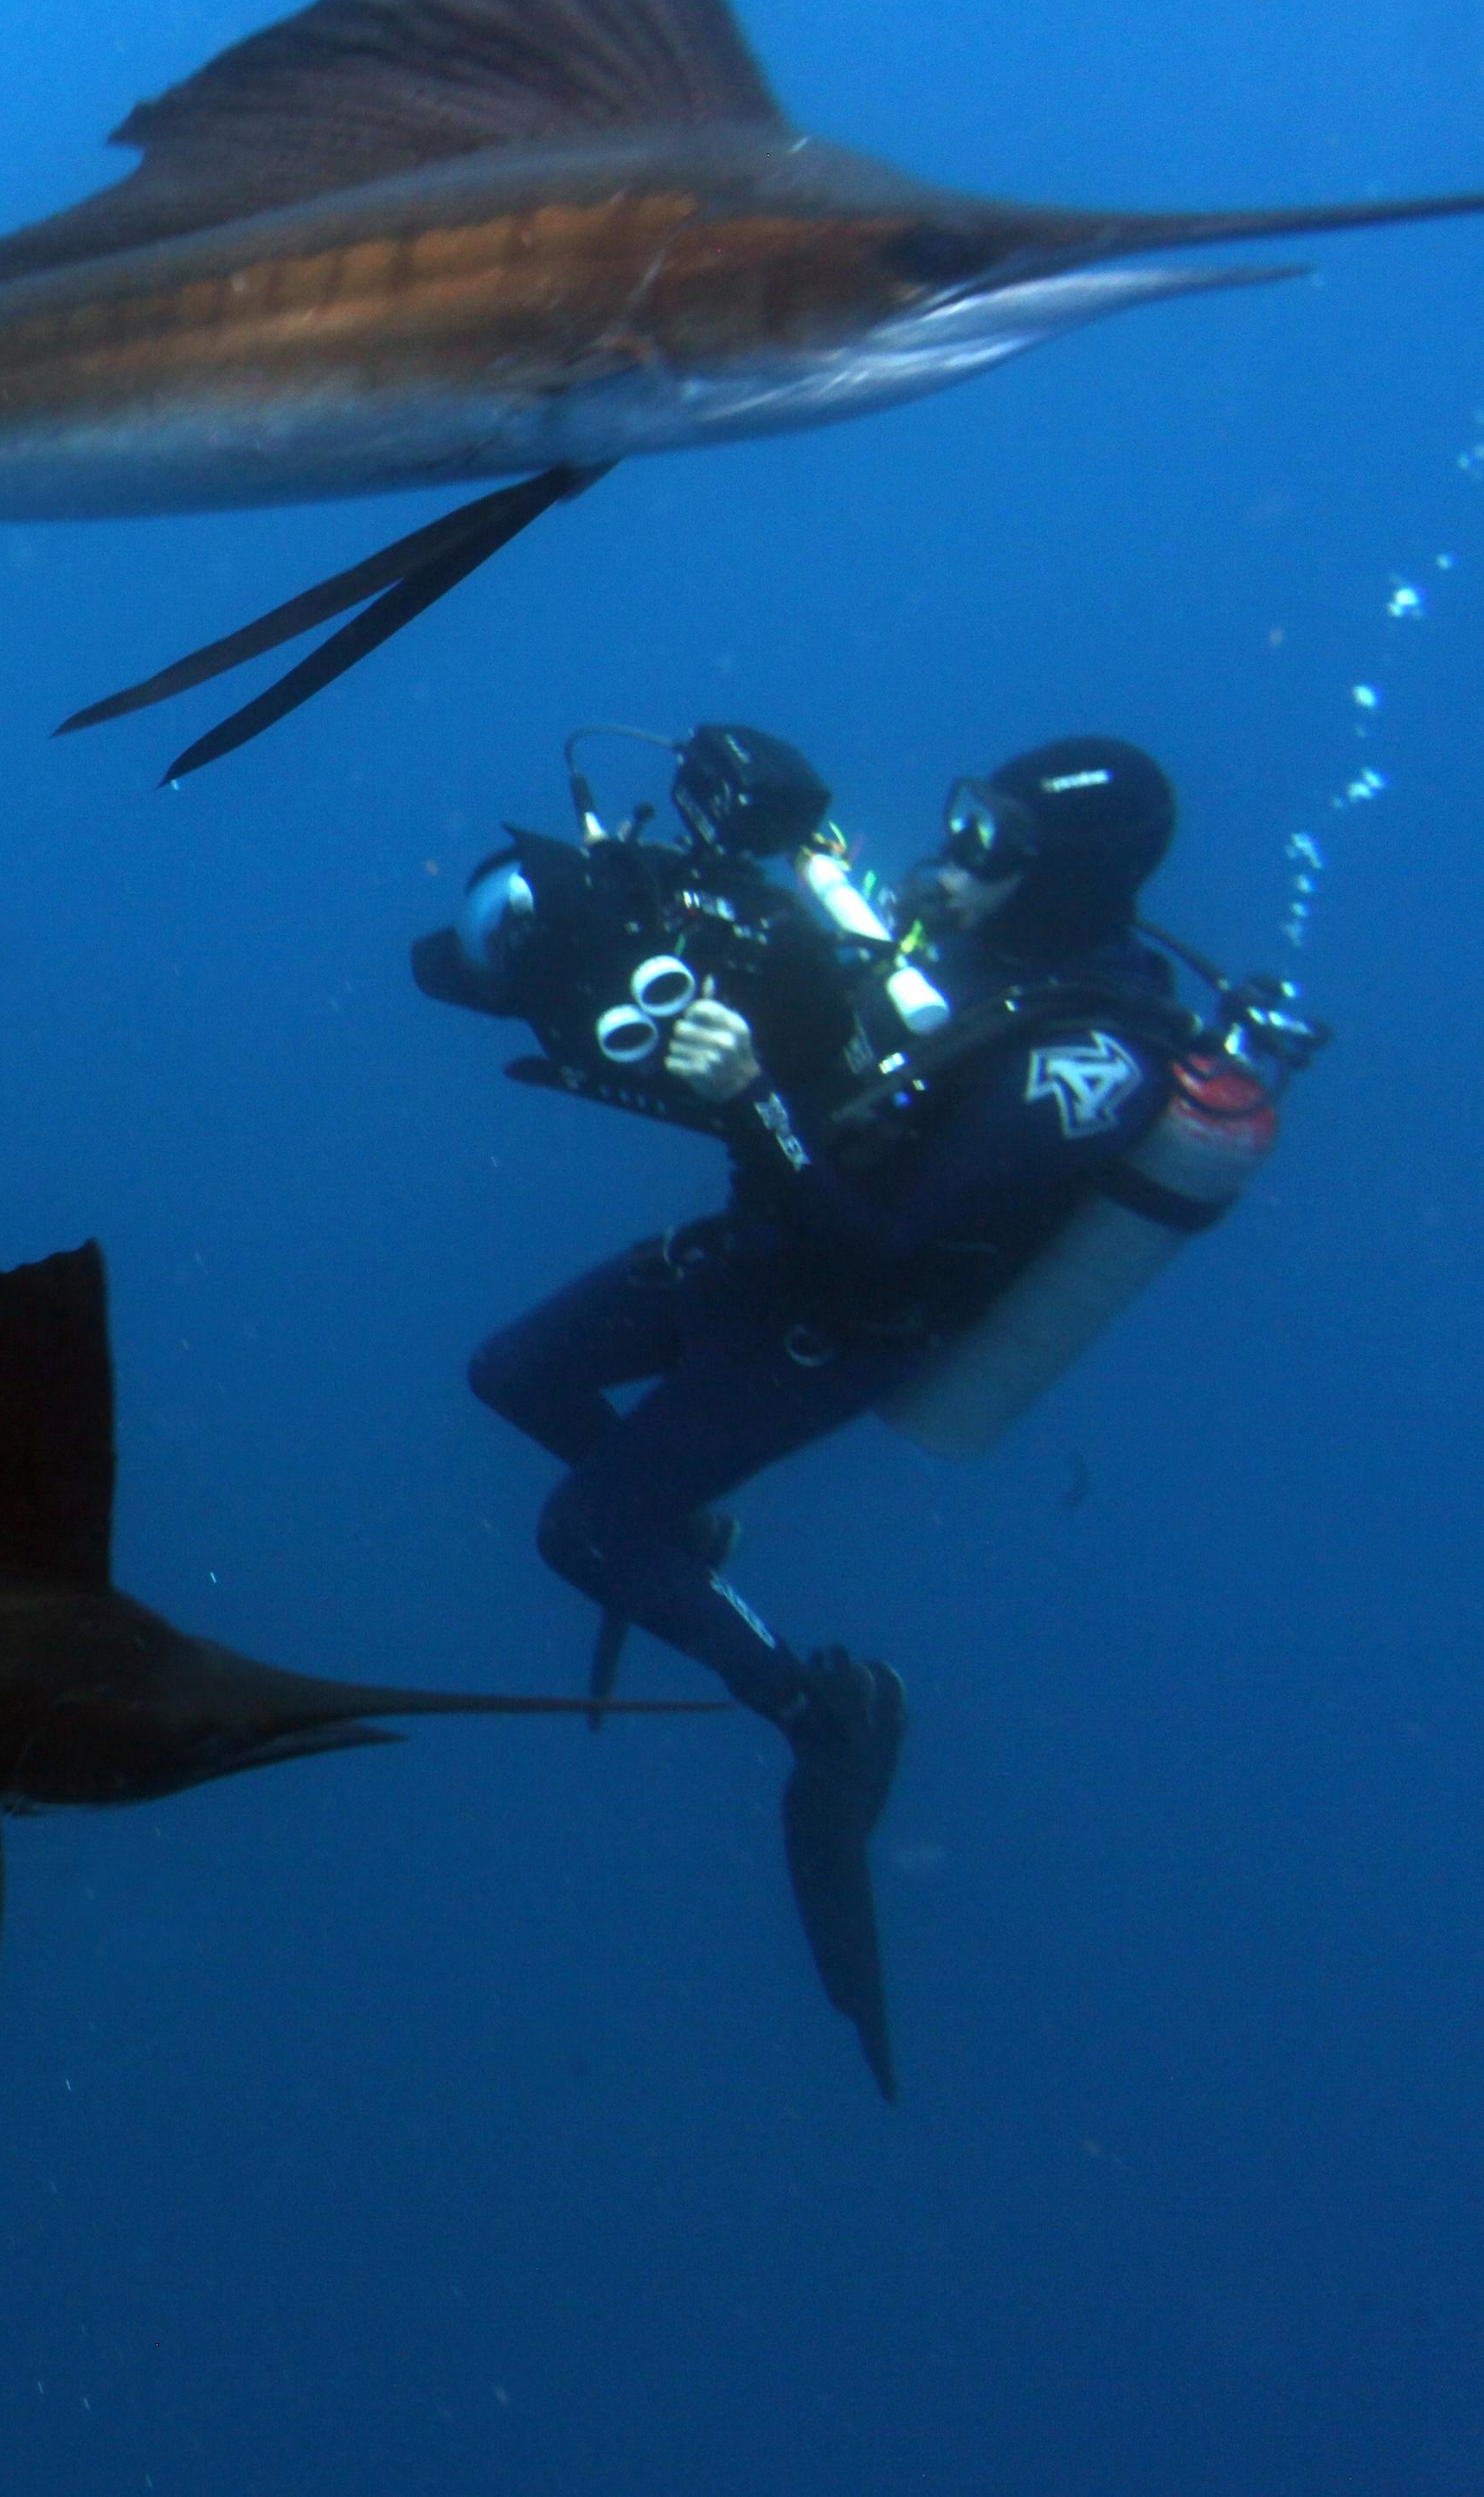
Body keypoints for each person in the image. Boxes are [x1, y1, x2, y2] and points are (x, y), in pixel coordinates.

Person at [463, 736, 1189, 2095]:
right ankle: (687, 1532)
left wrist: (748, 1101)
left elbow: (890, 1255)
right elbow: (840, 1039)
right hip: (767, 1247)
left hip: (835, 1323)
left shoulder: (1093, 1059)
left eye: (994, 844)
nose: (955, 858)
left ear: (1066, 879)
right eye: (969, 814)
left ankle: (826, 1712)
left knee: (583, 1531)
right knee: (512, 1375)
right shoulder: (975, 940)